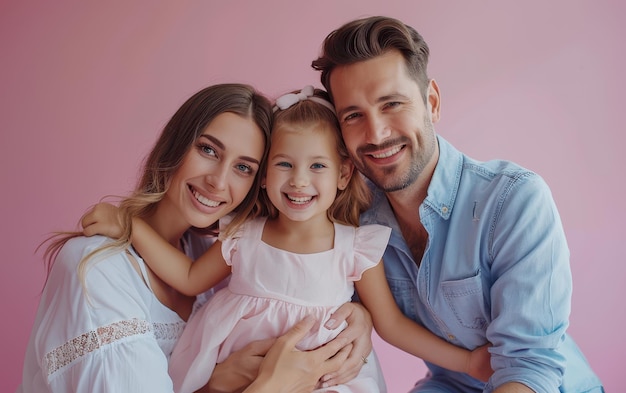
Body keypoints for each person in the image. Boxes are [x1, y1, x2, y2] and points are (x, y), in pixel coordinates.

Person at [84, 86, 493, 392]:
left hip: (320, 381)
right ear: (264, 175)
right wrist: (129, 225)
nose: (299, 181)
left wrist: (467, 361)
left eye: (317, 165)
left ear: (343, 174)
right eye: (284, 164)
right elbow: (190, 277)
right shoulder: (244, 235)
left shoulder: (355, 247)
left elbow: (391, 325)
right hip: (239, 378)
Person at [311, 16, 605, 393]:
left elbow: (529, 370)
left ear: (431, 102)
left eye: (392, 104)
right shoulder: (353, 218)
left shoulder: (514, 201)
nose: (377, 134)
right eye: (353, 116)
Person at [18, 83, 371, 393]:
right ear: (176, 143)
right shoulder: (98, 267)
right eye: (208, 150)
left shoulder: (213, 260)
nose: (218, 181)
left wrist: (356, 312)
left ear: (257, 181)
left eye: (243, 167)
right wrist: (270, 385)